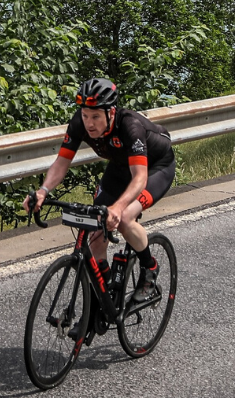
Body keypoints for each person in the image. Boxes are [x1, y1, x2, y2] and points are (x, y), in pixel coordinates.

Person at [24, 77, 173, 336]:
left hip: (154, 168)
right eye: (84, 115)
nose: (88, 123)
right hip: (119, 168)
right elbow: (61, 163)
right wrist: (43, 190)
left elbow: (139, 178)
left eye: (95, 116)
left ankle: (149, 267)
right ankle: (101, 304)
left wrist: (117, 208)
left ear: (111, 112)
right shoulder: (79, 124)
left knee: (125, 217)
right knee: (95, 235)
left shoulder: (131, 127)